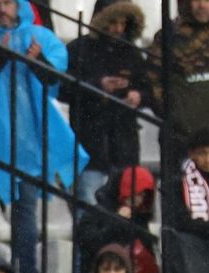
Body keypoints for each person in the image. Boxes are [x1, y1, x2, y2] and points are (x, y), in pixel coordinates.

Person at [0, 0, 84, 273]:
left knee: (25, 204)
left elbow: (56, 80)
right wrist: (0, 57)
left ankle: (27, 270)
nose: (3, 10)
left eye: (8, 3)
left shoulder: (38, 38)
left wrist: (37, 60)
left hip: (26, 136)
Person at [66, 0, 152, 204]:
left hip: (123, 141)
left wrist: (138, 96)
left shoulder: (132, 53)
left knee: (123, 203)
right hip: (89, 138)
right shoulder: (79, 49)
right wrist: (98, 85)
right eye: (112, 22)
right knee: (89, 201)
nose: (117, 29)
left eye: (122, 23)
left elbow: (147, 89)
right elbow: (62, 88)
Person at [149, 0, 209, 161]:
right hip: (182, 139)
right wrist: (173, 116)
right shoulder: (168, 35)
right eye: (196, 0)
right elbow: (154, 80)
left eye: (207, 0)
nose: (202, 5)